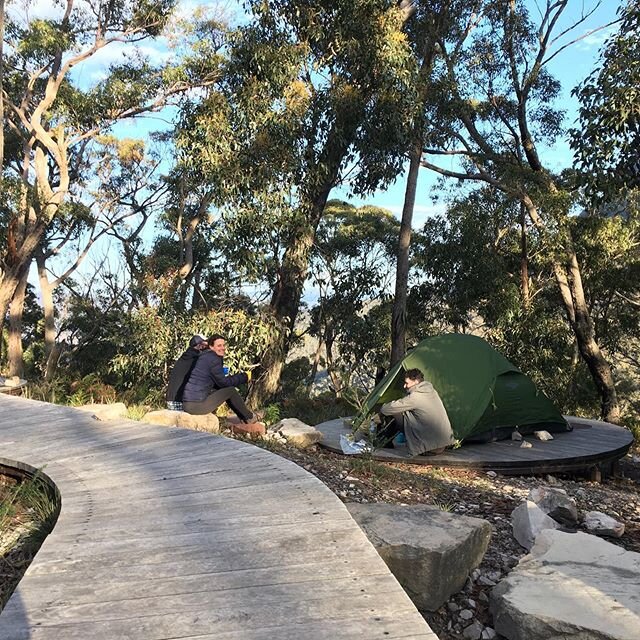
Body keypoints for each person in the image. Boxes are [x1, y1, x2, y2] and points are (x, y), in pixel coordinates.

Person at [181, 334, 260, 423]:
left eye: (223, 345)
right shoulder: (213, 359)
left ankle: (243, 417)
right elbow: (224, 382)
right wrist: (245, 377)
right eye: (219, 345)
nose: (222, 348)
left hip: (189, 403)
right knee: (230, 390)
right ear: (211, 347)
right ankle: (249, 417)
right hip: (196, 405)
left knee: (225, 390)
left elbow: (217, 383)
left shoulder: (205, 357)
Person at [379, 368, 454, 456]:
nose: (404, 386)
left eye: (407, 383)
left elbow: (385, 409)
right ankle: (384, 442)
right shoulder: (432, 391)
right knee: (403, 411)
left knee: (394, 411)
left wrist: (382, 408)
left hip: (429, 448)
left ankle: (383, 442)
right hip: (440, 445)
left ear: (416, 381)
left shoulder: (415, 397)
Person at [166, 334, 208, 411]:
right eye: (204, 344)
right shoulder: (194, 357)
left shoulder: (188, 355)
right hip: (178, 400)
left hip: (174, 399)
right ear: (199, 345)